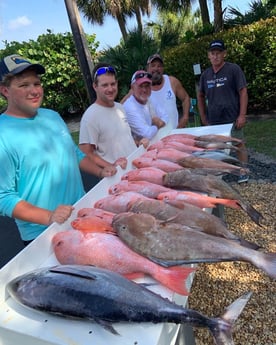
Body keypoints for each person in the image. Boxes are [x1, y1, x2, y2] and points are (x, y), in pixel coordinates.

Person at [0, 54, 115, 245]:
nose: (34, 90)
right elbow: (3, 197)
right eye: (23, 85)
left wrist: (101, 171)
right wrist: (49, 216)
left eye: (36, 84)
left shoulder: (52, 116)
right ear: (5, 90)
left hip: (82, 212)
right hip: (43, 235)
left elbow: (75, 155)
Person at [197, 39, 249, 183]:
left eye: (218, 53)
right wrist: (203, 117)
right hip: (214, 121)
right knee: (216, 148)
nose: (215, 56)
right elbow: (200, 95)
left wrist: (242, 115)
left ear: (224, 54)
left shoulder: (233, 69)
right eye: (212, 53)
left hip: (232, 117)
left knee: (238, 143)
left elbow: (243, 91)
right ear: (208, 55)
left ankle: (244, 171)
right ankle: (220, 174)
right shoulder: (206, 75)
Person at [79, 63, 148, 171]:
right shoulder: (90, 116)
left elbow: (124, 139)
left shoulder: (120, 108)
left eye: (113, 84)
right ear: (95, 86)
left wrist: (138, 142)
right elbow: (85, 153)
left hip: (136, 168)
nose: (110, 89)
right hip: (117, 179)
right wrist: (110, 165)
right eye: (105, 85)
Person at [146, 53, 191, 129]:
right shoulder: (142, 87)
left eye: (159, 66)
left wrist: (185, 117)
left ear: (163, 68)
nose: (156, 68)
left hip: (174, 133)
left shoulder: (172, 82)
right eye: (153, 65)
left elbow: (185, 98)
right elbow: (123, 104)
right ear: (147, 68)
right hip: (153, 137)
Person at [123, 70, 168, 143]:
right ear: (132, 87)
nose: (144, 90)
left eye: (147, 86)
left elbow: (165, 116)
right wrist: (158, 125)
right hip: (138, 151)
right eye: (140, 86)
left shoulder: (150, 99)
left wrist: (160, 122)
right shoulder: (129, 107)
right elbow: (147, 134)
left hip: (153, 144)